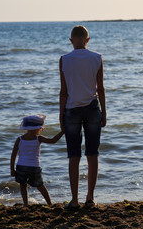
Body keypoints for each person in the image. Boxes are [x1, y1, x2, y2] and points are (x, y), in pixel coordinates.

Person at [59, 25, 106, 209]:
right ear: (88, 40)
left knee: (74, 156)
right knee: (92, 154)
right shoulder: (97, 58)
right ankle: (90, 199)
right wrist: (105, 111)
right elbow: (100, 88)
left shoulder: (64, 60)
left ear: (71, 41)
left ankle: (74, 200)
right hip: (93, 108)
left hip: (72, 110)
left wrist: (60, 114)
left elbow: (63, 92)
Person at [10, 114, 64, 208]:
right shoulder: (38, 138)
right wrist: (63, 132)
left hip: (21, 166)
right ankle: (49, 203)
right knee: (40, 185)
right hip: (34, 167)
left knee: (23, 185)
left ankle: (26, 204)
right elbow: (53, 141)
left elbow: (13, 155)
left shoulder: (20, 139)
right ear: (38, 128)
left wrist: (12, 169)